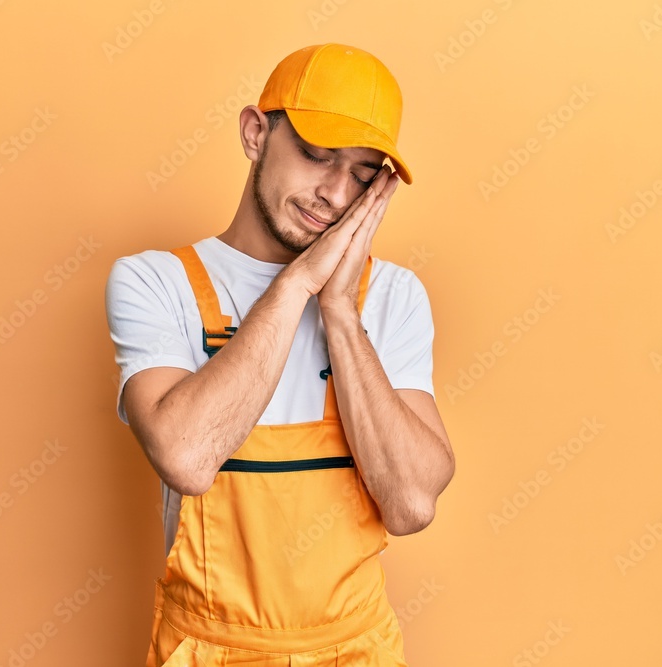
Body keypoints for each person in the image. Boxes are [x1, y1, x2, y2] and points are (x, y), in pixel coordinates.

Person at [106, 43, 455, 666]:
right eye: (317, 156)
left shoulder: (393, 296)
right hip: (209, 652)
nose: (335, 194)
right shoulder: (157, 283)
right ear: (254, 133)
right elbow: (186, 457)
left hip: (357, 651)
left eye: (363, 175)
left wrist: (342, 313)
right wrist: (295, 286)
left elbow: (410, 504)